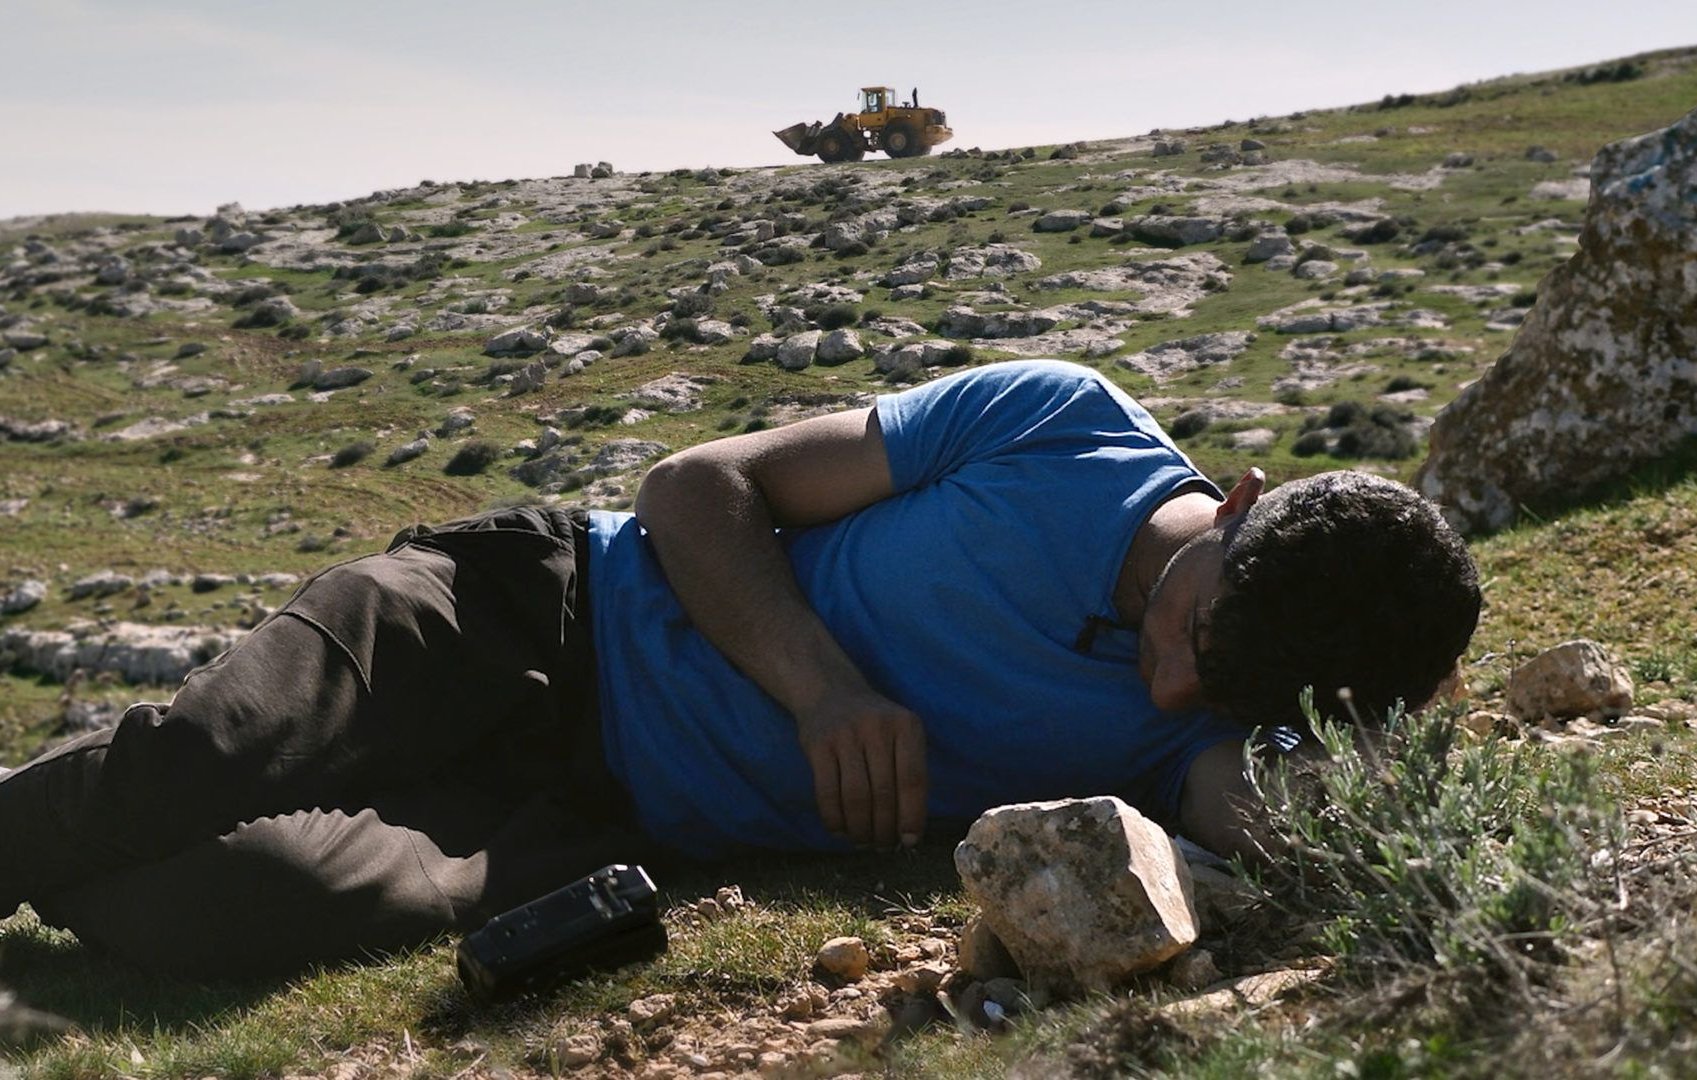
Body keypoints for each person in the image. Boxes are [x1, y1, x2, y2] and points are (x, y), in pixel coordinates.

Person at [0, 359, 1480, 978]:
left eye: (1223, 694)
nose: (1170, 693)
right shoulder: (1059, 424)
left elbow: (1302, 826)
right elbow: (696, 483)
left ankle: (75, 855)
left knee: (234, 915)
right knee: (204, 756)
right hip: (528, 608)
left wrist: (1386, 704)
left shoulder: (1193, 738)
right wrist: (822, 688)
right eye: (1194, 631)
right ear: (1232, 498)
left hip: (602, 821)